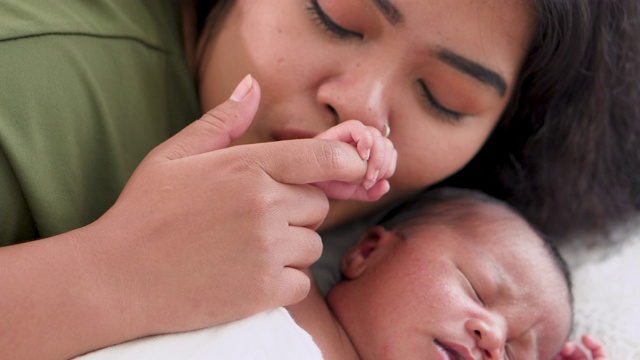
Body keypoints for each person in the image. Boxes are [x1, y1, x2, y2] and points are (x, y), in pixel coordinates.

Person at [0, 0, 638, 359]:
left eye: (444, 98)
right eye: (334, 16)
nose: (362, 106)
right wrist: (110, 276)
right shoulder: (32, 80)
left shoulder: (429, 224)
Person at [77, 188, 608, 360]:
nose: (491, 335)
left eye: (516, 353)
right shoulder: (281, 278)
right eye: (474, 288)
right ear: (368, 252)